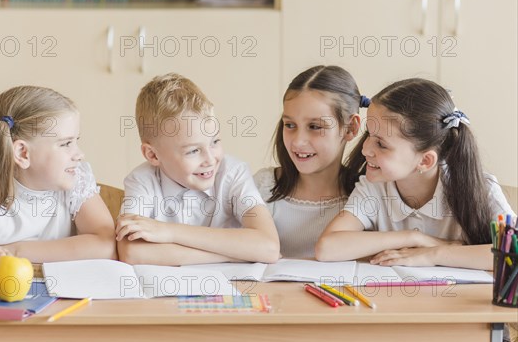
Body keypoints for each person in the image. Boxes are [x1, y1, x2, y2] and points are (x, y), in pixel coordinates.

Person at [315, 78, 515, 270]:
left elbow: (513, 252)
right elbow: (327, 248)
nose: (365, 149)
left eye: (381, 144)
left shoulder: (480, 188)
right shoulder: (373, 186)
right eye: (368, 135)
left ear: (425, 161)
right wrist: (414, 238)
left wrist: (433, 254)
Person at [117, 73, 280, 265]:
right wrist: (233, 254)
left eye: (215, 142)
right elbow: (131, 253)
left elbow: (268, 247)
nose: (210, 159)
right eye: (193, 151)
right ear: (153, 155)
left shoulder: (233, 173)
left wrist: (168, 231)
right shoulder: (142, 181)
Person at [0, 85, 117, 264]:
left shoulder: (75, 181)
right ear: (23, 153)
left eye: (76, 141)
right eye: (66, 144)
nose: (79, 154)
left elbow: (106, 245)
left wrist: (13, 251)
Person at [253, 65, 368, 258]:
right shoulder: (263, 186)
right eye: (290, 125)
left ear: (350, 128)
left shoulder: (366, 195)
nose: (297, 141)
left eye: (314, 126)